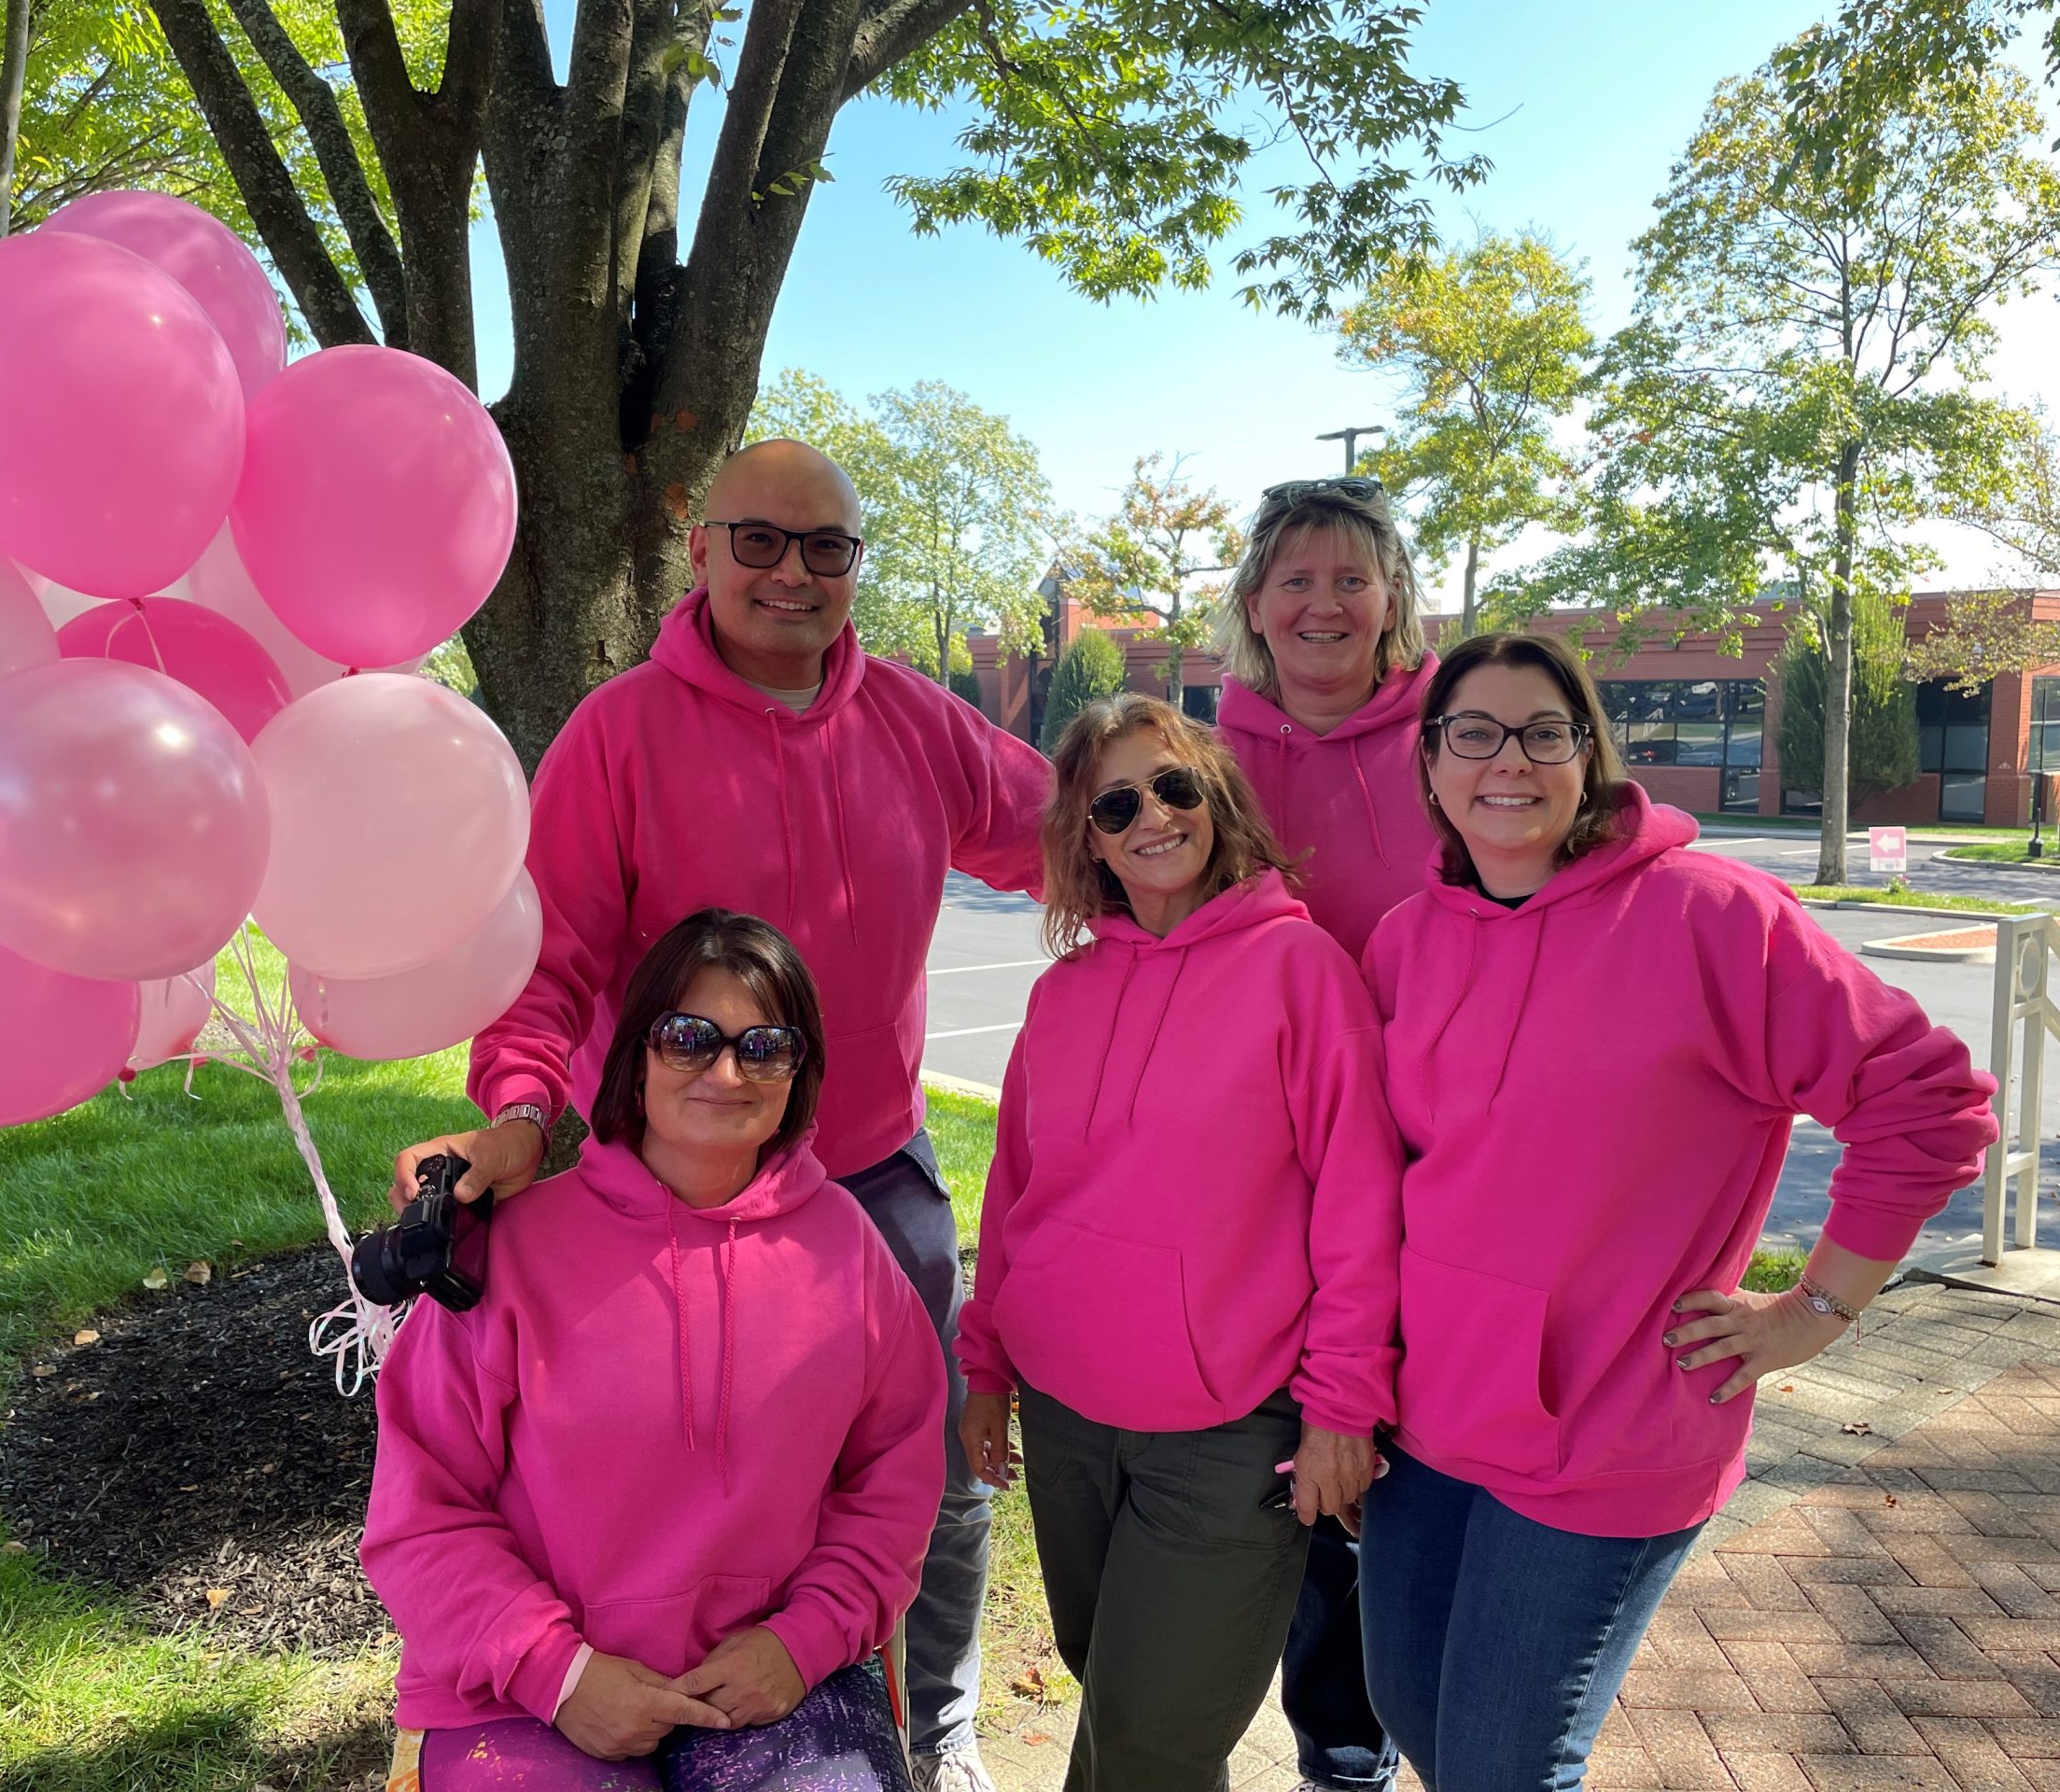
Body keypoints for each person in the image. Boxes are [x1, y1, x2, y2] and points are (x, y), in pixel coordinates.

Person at [392, 440, 1049, 1790]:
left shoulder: (922, 726)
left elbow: (1091, 835)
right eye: (759, 540)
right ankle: (586, 1678)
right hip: (660, 1180)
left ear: (856, 565)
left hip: (864, 1176)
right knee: (630, 1467)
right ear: (700, 550)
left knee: (923, 1477)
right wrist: (517, 1117)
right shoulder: (621, 732)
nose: (791, 573)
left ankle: (940, 1718)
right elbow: (548, 961)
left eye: (826, 548)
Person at [1358, 634, 1997, 1790]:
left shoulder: (1711, 915)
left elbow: (1928, 1101)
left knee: (1499, 1769)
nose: (1508, 761)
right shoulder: (1408, 942)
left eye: (1543, 732)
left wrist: (1818, 1308)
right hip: (1432, 1420)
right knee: (1412, 1717)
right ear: (1431, 761)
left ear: (1589, 753)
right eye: (1473, 733)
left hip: (1612, 1428)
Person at [363, 909, 946, 1792]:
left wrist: (803, 1641)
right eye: (688, 1038)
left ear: (800, 1072)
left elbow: (894, 1483)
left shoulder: (850, 1253)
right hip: (524, 1689)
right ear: (635, 1055)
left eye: (765, 1046)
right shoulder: (511, 1254)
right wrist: (556, 1673)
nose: (725, 1070)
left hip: (771, 1678)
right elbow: (423, 1515)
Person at [955, 693, 1403, 1792]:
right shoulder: (1063, 994)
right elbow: (1015, 1194)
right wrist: (985, 1371)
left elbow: (1359, 1205)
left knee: (1157, 1738)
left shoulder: (1301, 973)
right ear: (1088, 839)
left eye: (1173, 786)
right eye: (1115, 804)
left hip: (1227, 1428)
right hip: (1064, 1411)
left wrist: (1345, 1406)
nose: (1150, 815)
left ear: (1217, 800)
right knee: (1107, 1687)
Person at [1210, 472, 1435, 1792]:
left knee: (1401, 1461)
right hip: (1271, 1170)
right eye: (1295, 578)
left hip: (1437, 1158)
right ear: (1253, 606)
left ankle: (1352, 1757)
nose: (1324, 601)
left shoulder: (1455, 737)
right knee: (1303, 1459)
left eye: (1351, 576)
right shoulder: (1211, 763)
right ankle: (1332, 1746)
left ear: (1392, 598)